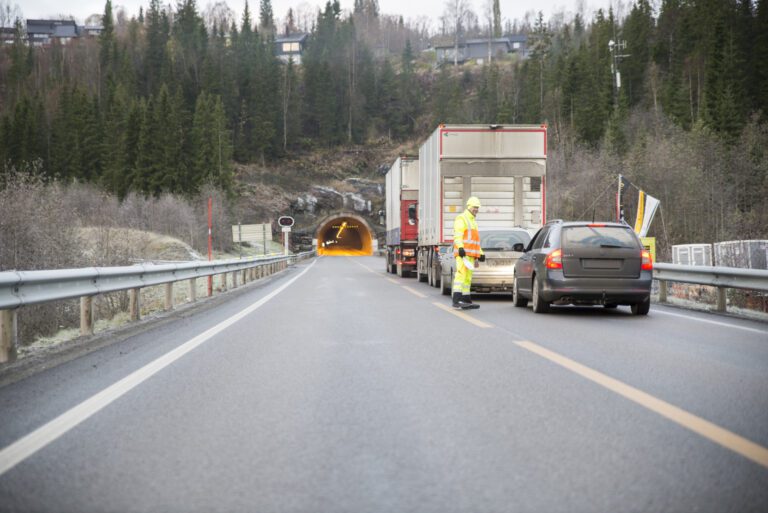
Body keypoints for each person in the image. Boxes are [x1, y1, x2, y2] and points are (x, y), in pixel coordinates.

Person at [452, 196, 485, 309]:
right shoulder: (462, 218)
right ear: (469, 207)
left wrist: (480, 253)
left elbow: (475, 240)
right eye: (475, 207)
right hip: (463, 254)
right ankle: (456, 300)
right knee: (461, 275)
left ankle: (466, 300)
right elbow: (458, 235)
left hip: (470, 255)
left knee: (467, 278)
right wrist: (460, 248)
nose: (476, 209)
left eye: (477, 207)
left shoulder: (473, 221)